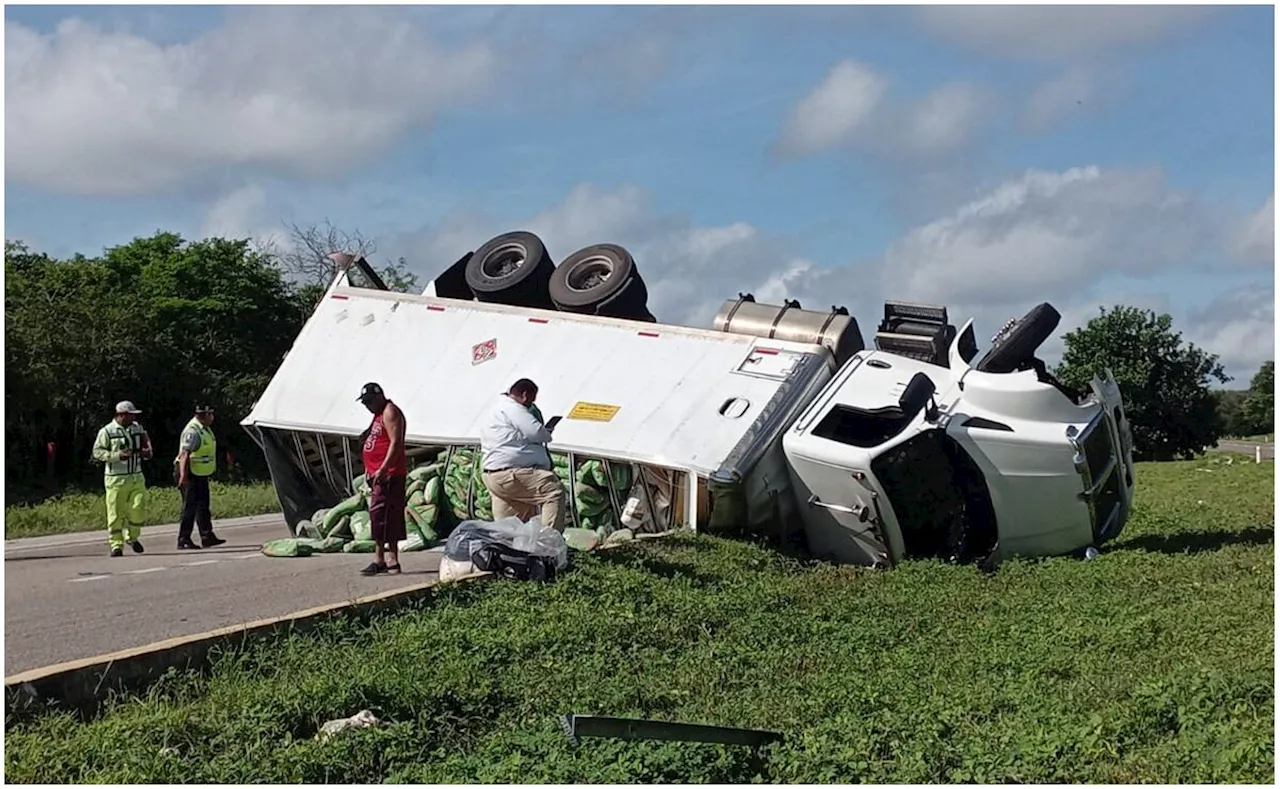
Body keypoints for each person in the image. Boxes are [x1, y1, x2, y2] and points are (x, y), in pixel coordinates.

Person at [480, 378, 566, 532]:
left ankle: (510, 551)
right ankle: (549, 543)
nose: (531, 405)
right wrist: (547, 432)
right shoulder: (513, 408)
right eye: (531, 400)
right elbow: (537, 433)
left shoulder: (495, 410)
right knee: (553, 490)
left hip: (494, 476)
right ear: (525, 395)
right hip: (512, 474)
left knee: (510, 526)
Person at [91, 400, 154, 557]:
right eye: (130, 415)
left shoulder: (137, 428)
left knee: (138, 507)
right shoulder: (107, 431)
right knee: (115, 513)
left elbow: (146, 442)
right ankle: (116, 544)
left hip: (136, 476)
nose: (133, 418)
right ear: (121, 415)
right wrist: (117, 456)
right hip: (115, 479)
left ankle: (132, 537)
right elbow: (97, 452)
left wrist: (147, 451)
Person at [357, 382, 408, 576]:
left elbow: (396, 442)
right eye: (365, 403)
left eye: (369, 401)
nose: (367, 406)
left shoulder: (390, 412)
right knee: (380, 516)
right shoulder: (377, 415)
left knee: (385, 515)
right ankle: (381, 558)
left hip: (389, 474)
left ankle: (389, 558)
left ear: (379, 397)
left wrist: (384, 468)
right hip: (377, 474)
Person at [174, 403, 227, 550]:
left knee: (203, 505)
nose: (213, 417)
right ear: (204, 415)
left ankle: (207, 536)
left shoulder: (205, 429)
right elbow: (184, 454)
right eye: (210, 414)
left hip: (200, 473)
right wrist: (183, 476)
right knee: (189, 507)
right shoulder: (193, 431)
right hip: (189, 473)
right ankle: (184, 539)